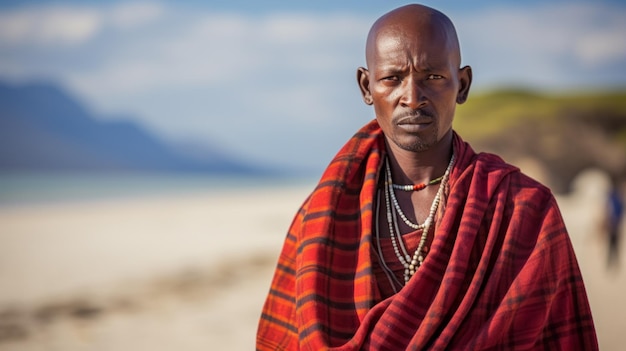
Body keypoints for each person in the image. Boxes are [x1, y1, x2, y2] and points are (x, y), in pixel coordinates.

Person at [257, 4, 598, 350]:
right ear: (366, 86)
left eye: (433, 77)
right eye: (392, 78)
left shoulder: (523, 209)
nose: (412, 98)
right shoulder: (319, 218)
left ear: (462, 85)